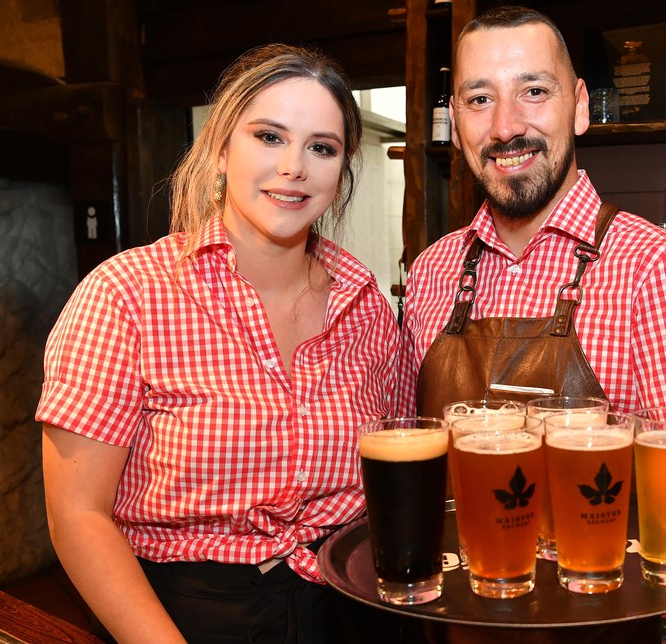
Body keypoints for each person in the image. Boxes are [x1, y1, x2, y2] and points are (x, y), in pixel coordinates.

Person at [37, 43, 401, 643]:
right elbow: (76, 515)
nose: (295, 168)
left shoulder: (366, 305)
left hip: (352, 601)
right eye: (269, 137)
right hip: (189, 614)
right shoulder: (127, 294)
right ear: (219, 150)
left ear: (341, 170)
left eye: (322, 147)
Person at [397, 5, 666, 480]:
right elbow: (405, 444)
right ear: (457, 127)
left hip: (604, 554)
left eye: (535, 91)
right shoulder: (431, 270)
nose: (506, 126)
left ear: (580, 106)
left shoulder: (657, 269)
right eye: (480, 99)